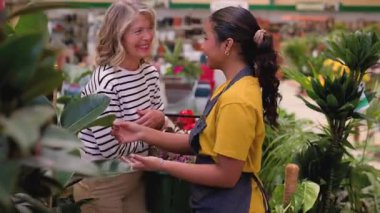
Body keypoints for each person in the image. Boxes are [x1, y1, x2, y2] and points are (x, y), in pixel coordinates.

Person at [111, 6, 280, 213]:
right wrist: (143, 132)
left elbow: (226, 176)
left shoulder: (237, 101)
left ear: (227, 45)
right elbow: (199, 142)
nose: (202, 46)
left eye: (206, 38)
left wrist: (162, 165)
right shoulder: (231, 87)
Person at [73, 1, 165, 213]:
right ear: (118, 35)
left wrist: (158, 120)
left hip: (135, 175)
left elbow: (158, 120)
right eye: (138, 31)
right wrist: (148, 133)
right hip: (102, 182)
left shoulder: (149, 74)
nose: (147, 37)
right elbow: (109, 149)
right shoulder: (106, 81)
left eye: (150, 28)